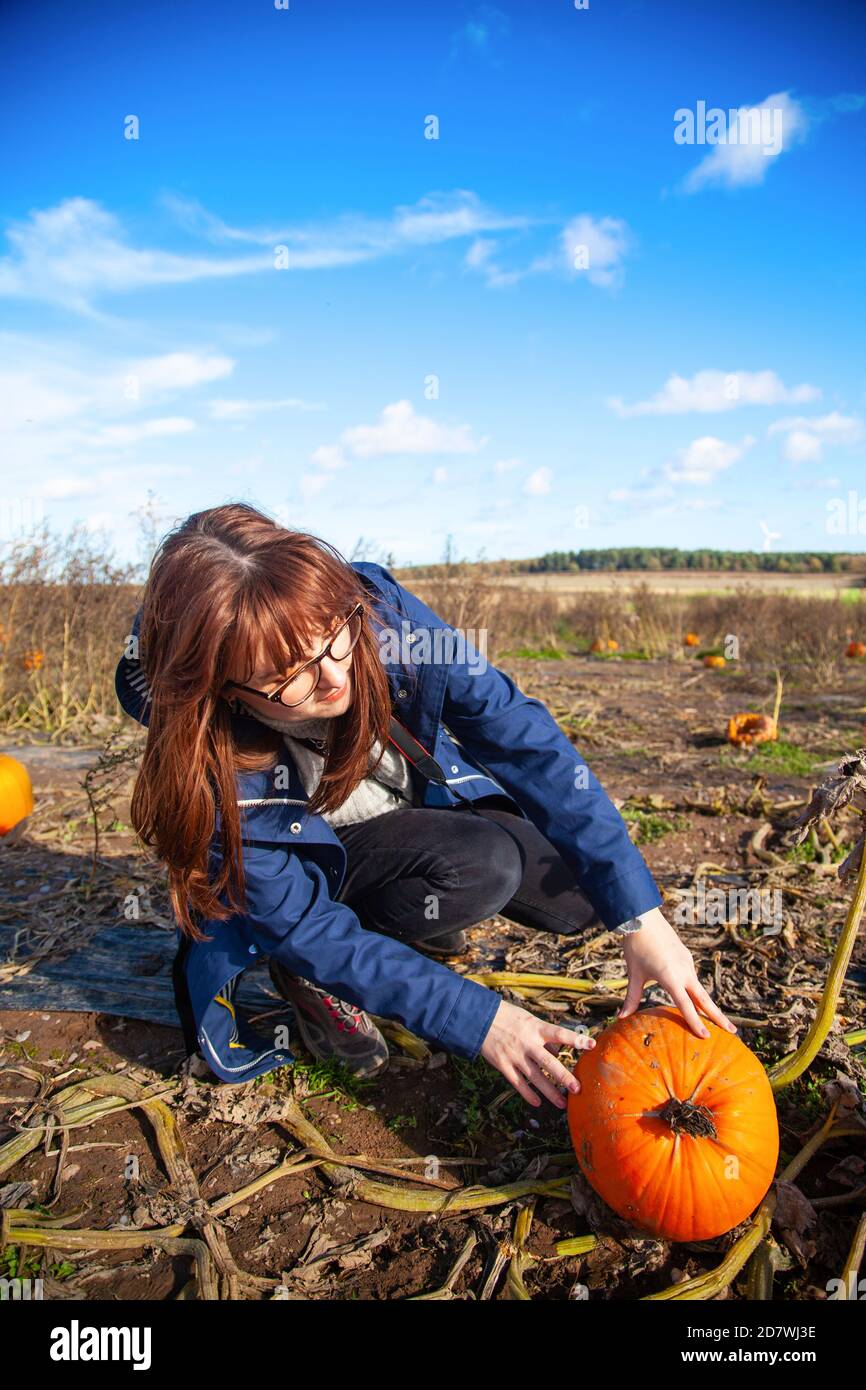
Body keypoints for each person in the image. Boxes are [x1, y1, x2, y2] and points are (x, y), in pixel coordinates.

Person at [115, 502, 735, 1110]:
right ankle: (313, 974)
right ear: (225, 691)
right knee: (483, 864)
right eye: (290, 676)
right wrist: (479, 1020)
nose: (335, 678)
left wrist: (640, 917)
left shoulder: (378, 614)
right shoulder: (209, 760)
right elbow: (296, 919)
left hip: (393, 808)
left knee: (574, 891)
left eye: (334, 640)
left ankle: (404, 919)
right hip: (314, 866)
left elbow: (523, 737)